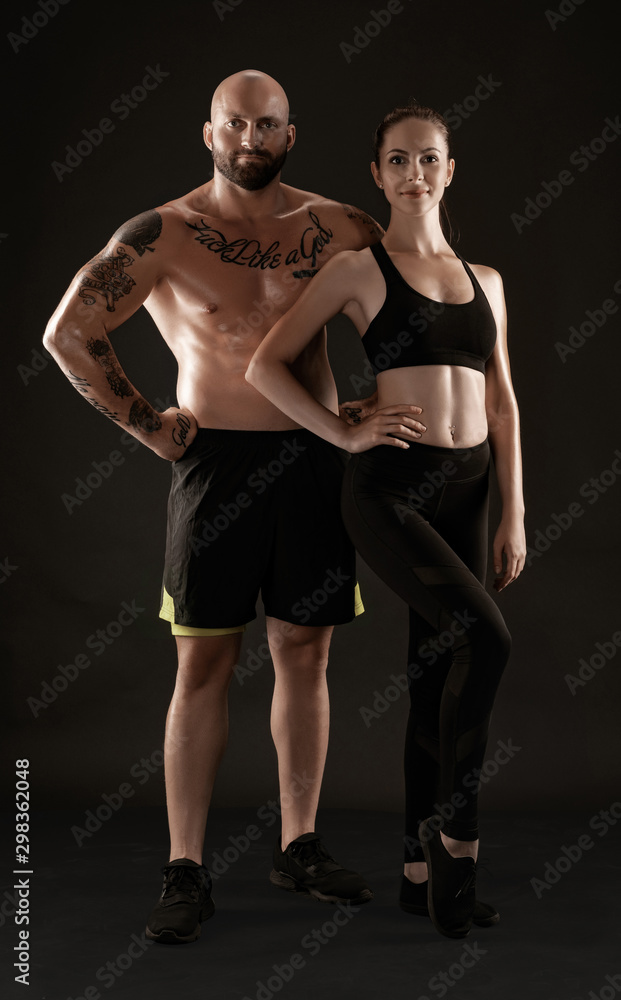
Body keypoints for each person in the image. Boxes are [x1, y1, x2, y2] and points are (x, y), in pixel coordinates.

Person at [43, 69, 386, 944]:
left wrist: (374, 405)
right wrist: (146, 425)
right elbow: (69, 333)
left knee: (303, 658)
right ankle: (185, 866)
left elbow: (411, 317)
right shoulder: (162, 232)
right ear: (209, 132)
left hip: (313, 460)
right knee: (202, 668)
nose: (250, 139)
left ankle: (298, 845)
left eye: (267, 125)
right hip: (215, 468)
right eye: (236, 124)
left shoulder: (340, 225)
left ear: (290, 133)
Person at [247, 101, 526, 939]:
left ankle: (413, 871)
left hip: (473, 488)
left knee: (434, 672)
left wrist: (513, 511)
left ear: (449, 170)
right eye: (397, 161)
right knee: (486, 641)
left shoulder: (489, 281)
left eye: (429, 159)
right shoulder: (357, 268)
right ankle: (456, 843)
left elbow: (504, 404)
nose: (414, 174)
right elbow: (267, 365)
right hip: (390, 490)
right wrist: (342, 431)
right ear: (378, 174)